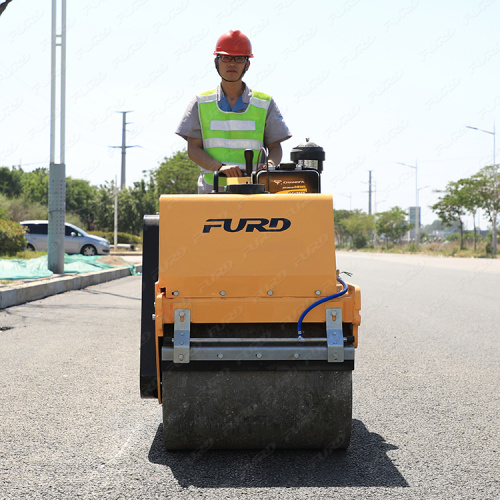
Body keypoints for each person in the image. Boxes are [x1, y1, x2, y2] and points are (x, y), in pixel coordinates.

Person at [176, 29, 292, 193]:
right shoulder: (200, 102)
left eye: (238, 59)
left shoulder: (264, 103)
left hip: (256, 191)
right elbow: (193, 149)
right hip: (212, 191)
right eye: (226, 58)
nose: (232, 63)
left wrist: (269, 167)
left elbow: (275, 147)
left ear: (247, 64)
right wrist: (220, 167)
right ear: (216, 61)